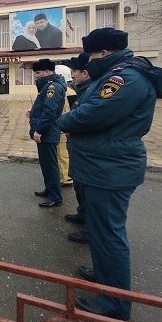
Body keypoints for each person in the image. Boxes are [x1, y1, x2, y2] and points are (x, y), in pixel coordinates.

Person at [56, 28, 162, 320]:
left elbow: (91, 113)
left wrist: (64, 120)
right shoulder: (118, 73)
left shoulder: (124, 78)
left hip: (109, 167)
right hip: (102, 165)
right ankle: (105, 276)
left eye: (90, 55)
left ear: (103, 53)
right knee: (102, 233)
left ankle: (114, 304)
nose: (88, 62)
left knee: (108, 234)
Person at [27, 58, 66, 208]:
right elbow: (45, 107)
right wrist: (33, 111)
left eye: (38, 73)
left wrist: (39, 130)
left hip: (47, 132)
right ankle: (49, 189)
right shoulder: (48, 86)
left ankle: (55, 197)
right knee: (46, 164)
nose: (36, 76)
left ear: (48, 71)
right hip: (45, 132)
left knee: (50, 165)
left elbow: (50, 112)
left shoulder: (53, 87)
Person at [64, 52, 92, 245]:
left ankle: (91, 230)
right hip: (80, 148)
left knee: (92, 197)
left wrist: (64, 123)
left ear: (85, 72)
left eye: (75, 72)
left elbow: (83, 117)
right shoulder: (83, 89)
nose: (73, 76)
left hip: (91, 153)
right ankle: (83, 216)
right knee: (80, 187)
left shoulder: (93, 89)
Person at [54, 64, 76, 187]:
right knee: (62, 152)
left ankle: (66, 177)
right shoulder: (70, 90)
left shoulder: (66, 92)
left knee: (62, 153)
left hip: (63, 126)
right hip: (64, 125)